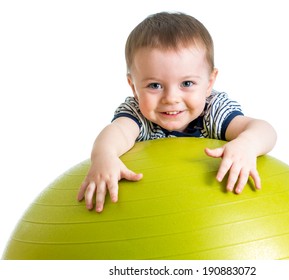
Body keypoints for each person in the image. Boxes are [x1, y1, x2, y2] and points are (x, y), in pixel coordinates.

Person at [77, 12, 277, 212]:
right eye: (154, 85)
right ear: (133, 87)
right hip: (151, 210)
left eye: (187, 83)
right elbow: (117, 132)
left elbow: (263, 129)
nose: (171, 98)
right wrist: (104, 155)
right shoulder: (138, 114)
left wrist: (247, 144)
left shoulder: (212, 111)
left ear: (209, 83)